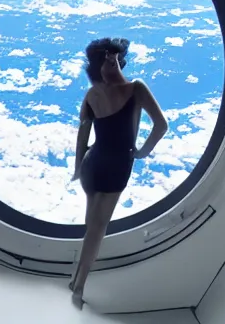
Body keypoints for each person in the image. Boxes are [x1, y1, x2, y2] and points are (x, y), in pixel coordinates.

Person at [68, 38, 169, 309]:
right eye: (104, 58)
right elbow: (161, 125)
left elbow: (83, 132)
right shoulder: (136, 89)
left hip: (95, 161)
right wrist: (142, 151)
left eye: (112, 56)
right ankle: (77, 287)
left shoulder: (96, 94)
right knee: (96, 229)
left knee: (93, 226)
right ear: (97, 65)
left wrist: (78, 166)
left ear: (118, 57)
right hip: (112, 164)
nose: (110, 60)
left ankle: (75, 279)